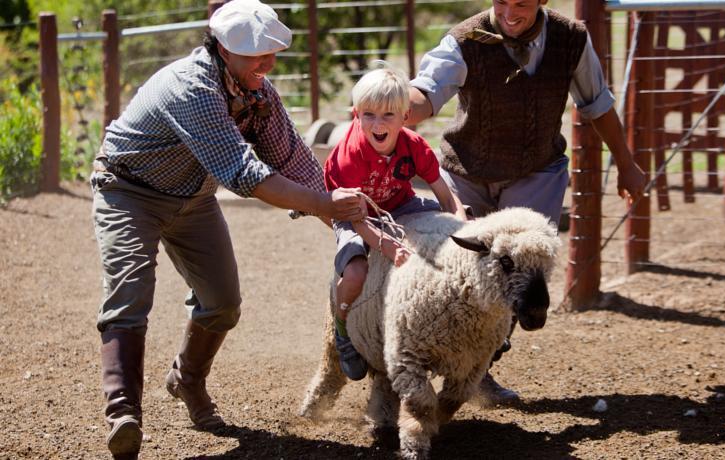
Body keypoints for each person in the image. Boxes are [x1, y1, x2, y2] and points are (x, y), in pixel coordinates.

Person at [90, 1, 366, 458]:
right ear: (223, 48)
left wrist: (343, 219)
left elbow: (292, 159)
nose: (268, 63)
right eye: (257, 54)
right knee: (130, 291)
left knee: (222, 303)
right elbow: (245, 173)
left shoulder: (258, 92)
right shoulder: (191, 87)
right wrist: (323, 204)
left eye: (271, 53)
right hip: (128, 190)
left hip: (193, 197)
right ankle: (124, 415)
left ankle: (187, 380)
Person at [407, 0, 646, 406]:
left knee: (517, 270)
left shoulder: (571, 39)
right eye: (501, 1)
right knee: (453, 267)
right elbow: (426, 93)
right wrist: (392, 104)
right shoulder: (465, 39)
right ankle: (419, 363)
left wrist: (626, 163)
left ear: (542, 1)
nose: (509, 12)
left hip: (536, 171)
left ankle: (480, 369)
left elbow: (597, 103)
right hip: (466, 170)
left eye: (521, 3)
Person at [324, 65, 467, 380]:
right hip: (353, 213)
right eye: (369, 115)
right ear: (356, 115)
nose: (378, 124)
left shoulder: (414, 145)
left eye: (388, 115)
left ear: (405, 117)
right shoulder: (350, 157)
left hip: (399, 204)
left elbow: (446, 194)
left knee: (463, 230)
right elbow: (359, 219)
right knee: (356, 271)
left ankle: (470, 315)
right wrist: (389, 247)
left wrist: (461, 226)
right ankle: (343, 329)